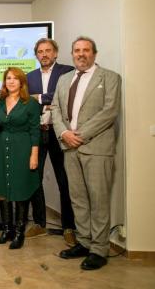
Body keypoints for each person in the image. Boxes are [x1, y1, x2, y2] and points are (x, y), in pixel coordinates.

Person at [51, 36, 121, 270]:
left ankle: (99, 249)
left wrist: (79, 135)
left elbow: (109, 111)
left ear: (94, 53)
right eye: (77, 50)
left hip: (96, 149)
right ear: (72, 54)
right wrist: (63, 134)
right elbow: (56, 110)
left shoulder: (109, 78)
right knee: (78, 198)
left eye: (86, 50)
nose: (81, 54)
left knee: (98, 199)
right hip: (69, 147)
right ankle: (83, 241)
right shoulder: (64, 79)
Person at [26, 38, 76, 245]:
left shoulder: (67, 72)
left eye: (48, 51)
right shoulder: (30, 76)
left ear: (55, 53)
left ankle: (68, 227)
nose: (44, 54)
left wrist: (39, 98)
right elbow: (25, 100)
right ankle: (39, 223)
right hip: (37, 132)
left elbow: (63, 97)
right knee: (34, 179)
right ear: (36, 55)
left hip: (59, 133)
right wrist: (44, 100)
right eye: (40, 51)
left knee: (64, 180)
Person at [0, 67, 40, 249]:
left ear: (22, 82)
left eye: (15, 78)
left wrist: (34, 155)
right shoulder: (0, 102)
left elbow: (35, 131)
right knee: (2, 188)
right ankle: (6, 230)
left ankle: (19, 232)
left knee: (21, 189)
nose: (11, 81)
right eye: (8, 78)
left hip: (23, 149)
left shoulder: (31, 103)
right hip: (2, 148)